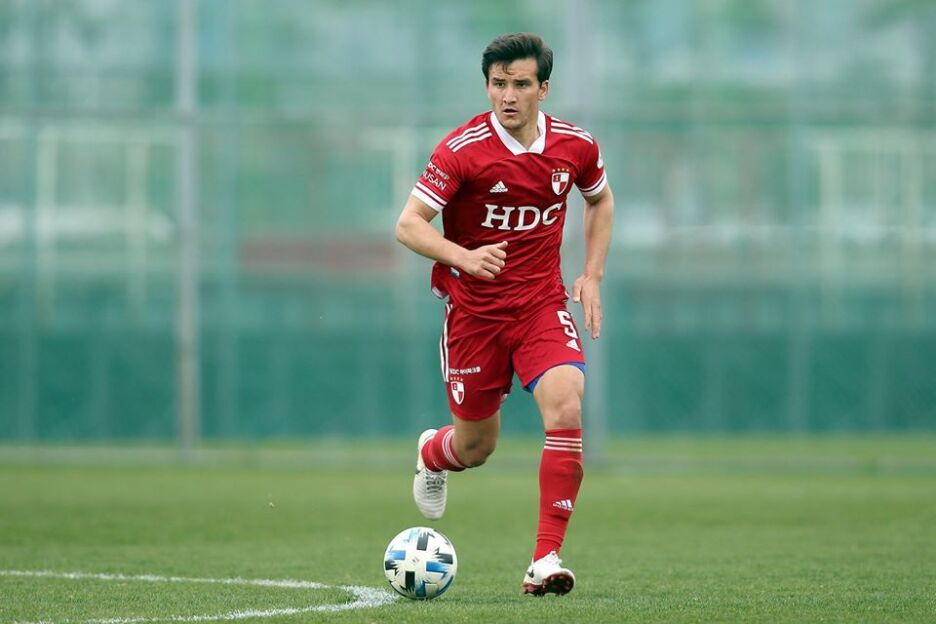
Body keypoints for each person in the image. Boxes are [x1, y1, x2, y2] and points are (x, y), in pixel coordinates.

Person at [394, 32, 614, 596]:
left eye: (520, 84)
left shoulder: (575, 146)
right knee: (477, 448)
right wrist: (463, 256)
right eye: (498, 84)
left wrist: (591, 273)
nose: (508, 95)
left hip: (540, 306)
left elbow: (599, 199)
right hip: (475, 316)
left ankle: (545, 558)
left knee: (567, 402)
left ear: (544, 88)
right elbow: (408, 224)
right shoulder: (461, 150)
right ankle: (432, 453)